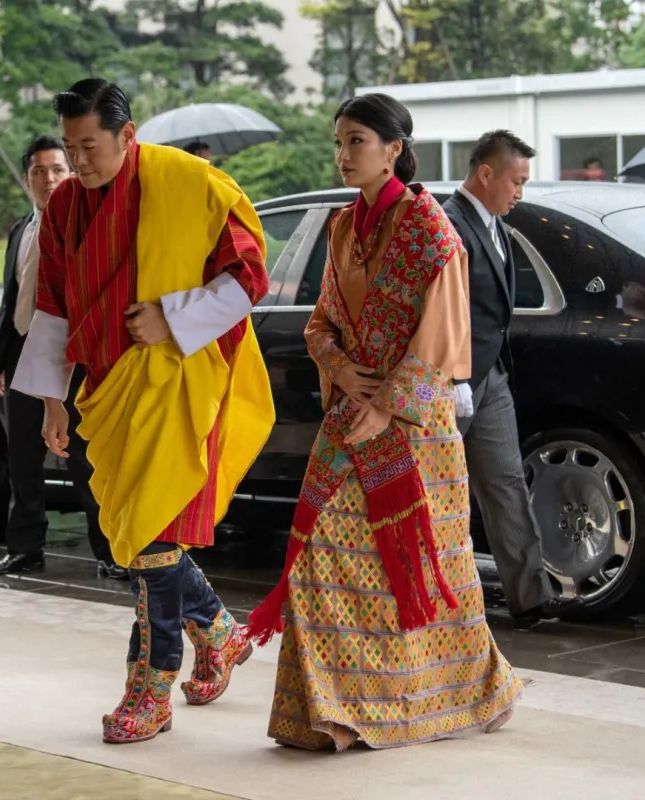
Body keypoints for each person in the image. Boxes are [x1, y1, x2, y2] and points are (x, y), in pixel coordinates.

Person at [246, 95, 520, 751]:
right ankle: (332, 714)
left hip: (412, 436)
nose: (343, 155)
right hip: (349, 420)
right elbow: (321, 324)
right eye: (338, 141)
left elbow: (443, 341)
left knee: (426, 575)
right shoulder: (343, 227)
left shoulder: (430, 232)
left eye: (357, 141)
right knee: (320, 566)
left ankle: (462, 695)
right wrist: (340, 372)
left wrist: (385, 404)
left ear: (394, 148)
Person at [11, 78, 273, 744]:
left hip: (173, 377)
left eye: (91, 146)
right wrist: (51, 401)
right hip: (107, 390)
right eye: (71, 148)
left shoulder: (189, 183)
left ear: (128, 136)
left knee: (150, 543)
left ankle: (151, 688)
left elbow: (249, 278)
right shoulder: (66, 205)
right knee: (138, 536)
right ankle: (219, 633)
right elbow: (53, 306)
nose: (80, 161)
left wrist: (174, 317)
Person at [442, 130, 578, 627]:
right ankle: (435, 602)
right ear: (485, 173)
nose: (520, 191)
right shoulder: (447, 223)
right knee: (439, 495)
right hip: (448, 380)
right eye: (516, 180)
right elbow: (442, 311)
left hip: (492, 375)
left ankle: (530, 598)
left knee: (506, 486)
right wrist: (455, 375)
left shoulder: (499, 225)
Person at [0, 135, 127, 580]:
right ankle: (25, 548)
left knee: (84, 456)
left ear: (72, 173)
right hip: (24, 353)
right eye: (39, 172)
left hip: (74, 353)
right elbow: (13, 300)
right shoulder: (21, 229)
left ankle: (108, 551)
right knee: (21, 457)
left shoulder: (85, 223)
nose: (49, 179)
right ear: (27, 180)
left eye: (57, 170)